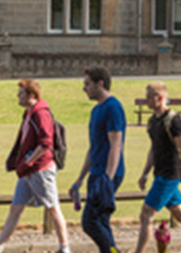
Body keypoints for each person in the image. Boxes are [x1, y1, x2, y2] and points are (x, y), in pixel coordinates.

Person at [0, 79, 70, 253]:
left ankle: (65, 248)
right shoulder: (29, 113)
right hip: (28, 170)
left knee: (53, 208)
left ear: (31, 96)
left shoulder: (41, 114)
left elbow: (46, 144)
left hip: (41, 170)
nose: (17, 96)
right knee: (15, 208)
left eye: (21, 93)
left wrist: (28, 161)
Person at [133, 82, 181, 253]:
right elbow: (154, 149)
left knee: (146, 213)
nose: (146, 100)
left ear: (160, 98)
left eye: (149, 97)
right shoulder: (153, 121)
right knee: (180, 213)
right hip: (159, 173)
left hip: (170, 175)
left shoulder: (174, 120)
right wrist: (145, 173)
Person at [69, 66, 126, 253]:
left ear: (100, 84)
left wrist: (107, 180)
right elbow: (94, 148)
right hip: (97, 172)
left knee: (90, 221)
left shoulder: (113, 107)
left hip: (107, 173)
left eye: (87, 84)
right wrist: (80, 179)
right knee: (101, 221)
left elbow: (116, 145)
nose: (84, 88)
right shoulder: (96, 110)